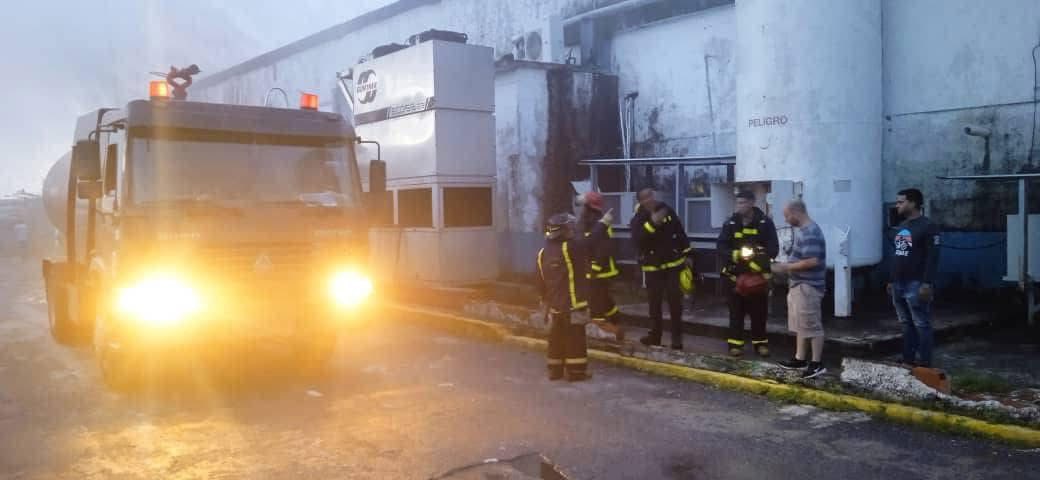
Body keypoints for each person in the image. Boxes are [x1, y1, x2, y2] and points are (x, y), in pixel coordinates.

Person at [718, 190, 779, 357]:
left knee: (759, 313)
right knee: (735, 313)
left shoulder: (765, 223)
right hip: (735, 278)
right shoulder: (730, 223)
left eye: (742, 202)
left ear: (752, 203)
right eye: (737, 202)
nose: (739, 206)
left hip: (757, 278)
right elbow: (721, 247)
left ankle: (760, 344)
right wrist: (738, 255)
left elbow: (773, 249)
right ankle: (735, 345)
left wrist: (755, 257)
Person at [630, 188, 691, 350]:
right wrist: (652, 223)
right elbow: (638, 241)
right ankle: (655, 336)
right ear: (640, 201)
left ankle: (676, 339)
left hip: (674, 266)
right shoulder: (638, 218)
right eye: (645, 197)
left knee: (675, 303)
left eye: (651, 195)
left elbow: (680, 233)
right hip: (653, 268)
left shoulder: (667, 211)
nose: (650, 199)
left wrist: (688, 253)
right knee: (654, 305)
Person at [772, 199, 828, 379]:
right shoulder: (804, 231)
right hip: (799, 285)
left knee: (812, 325)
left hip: (808, 286)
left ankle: (817, 363)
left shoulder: (811, 232)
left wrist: (785, 267)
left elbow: (812, 261)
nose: (786, 220)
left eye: (787, 216)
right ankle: (800, 359)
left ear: (796, 212)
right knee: (801, 325)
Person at [535, 212, 592, 382]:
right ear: (563, 230)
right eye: (569, 227)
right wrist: (602, 224)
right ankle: (576, 372)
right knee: (575, 337)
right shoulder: (571, 248)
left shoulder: (543, 253)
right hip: (573, 303)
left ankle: (555, 371)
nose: (572, 230)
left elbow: (540, 281)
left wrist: (545, 302)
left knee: (556, 337)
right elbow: (589, 242)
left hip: (555, 305)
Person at [889, 188, 941, 367]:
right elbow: (898, 254)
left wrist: (927, 283)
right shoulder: (903, 226)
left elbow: (933, 257)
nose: (897, 205)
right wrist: (891, 280)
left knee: (921, 323)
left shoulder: (928, 226)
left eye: (901, 202)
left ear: (912, 203)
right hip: (898, 283)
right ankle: (908, 358)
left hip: (915, 283)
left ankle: (924, 362)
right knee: (905, 323)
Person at [578, 191, 624, 341]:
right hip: (594, 267)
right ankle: (615, 319)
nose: (582, 209)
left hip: (600, 269)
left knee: (596, 298)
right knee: (603, 297)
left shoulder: (599, 223)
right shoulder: (591, 222)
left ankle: (601, 326)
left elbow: (603, 249)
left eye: (584, 206)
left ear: (588, 206)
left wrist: (595, 268)